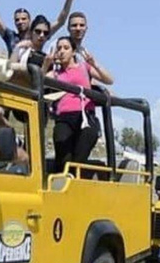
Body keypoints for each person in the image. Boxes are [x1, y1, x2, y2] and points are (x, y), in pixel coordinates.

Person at [46, 36, 113, 173]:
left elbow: (109, 80)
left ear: (73, 51)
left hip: (85, 117)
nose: (62, 51)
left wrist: (94, 64)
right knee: (63, 157)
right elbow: (38, 81)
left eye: (66, 48)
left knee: (79, 158)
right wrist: (46, 64)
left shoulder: (84, 67)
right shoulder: (56, 73)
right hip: (64, 118)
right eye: (59, 48)